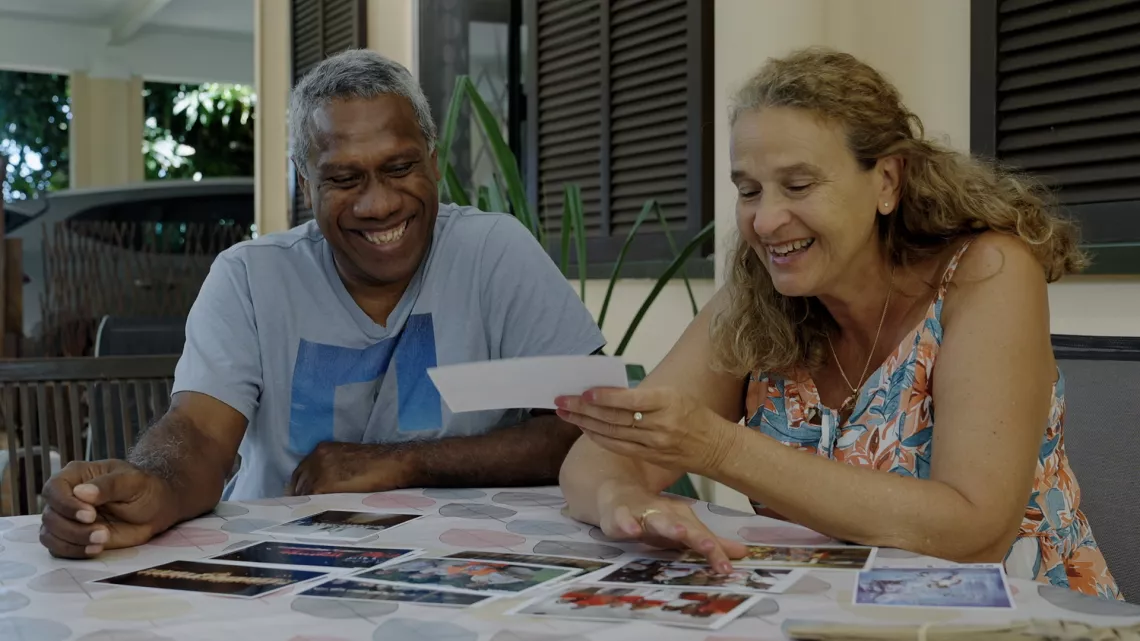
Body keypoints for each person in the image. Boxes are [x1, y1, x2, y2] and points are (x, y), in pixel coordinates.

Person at [554, 47, 1122, 601]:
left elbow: (974, 532)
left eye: (798, 186)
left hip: (1016, 611)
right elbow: (594, 460)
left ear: (887, 181)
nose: (766, 221)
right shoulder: (756, 296)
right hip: (827, 610)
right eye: (748, 191)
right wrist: (624, 499)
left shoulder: (988, 272)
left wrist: (719, 449)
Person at [38, 49, 605, 559]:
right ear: (306, 187)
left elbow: (586, 427)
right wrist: (156, 486)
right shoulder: (250, 278)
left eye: (400, 168)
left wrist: (402, 462)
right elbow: (201, 434)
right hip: (277, 560)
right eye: (344, 178)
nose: (378, 204)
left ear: (433, 164)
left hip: (464, 559)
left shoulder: (494, 252)